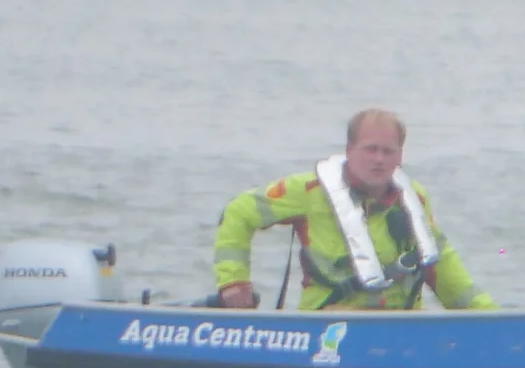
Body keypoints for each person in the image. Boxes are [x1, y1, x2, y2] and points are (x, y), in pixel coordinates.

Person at [211, 108, 495, 312]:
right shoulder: (308, 191)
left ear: (400, 156)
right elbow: (239, 212)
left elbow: (443, 266)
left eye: (388, 151)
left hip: (401, 329)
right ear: (349, 150)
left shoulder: (415, 200)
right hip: (329, 328)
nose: (379, 159)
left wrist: (489, 318)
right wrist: (233, 281)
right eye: (370, 149)